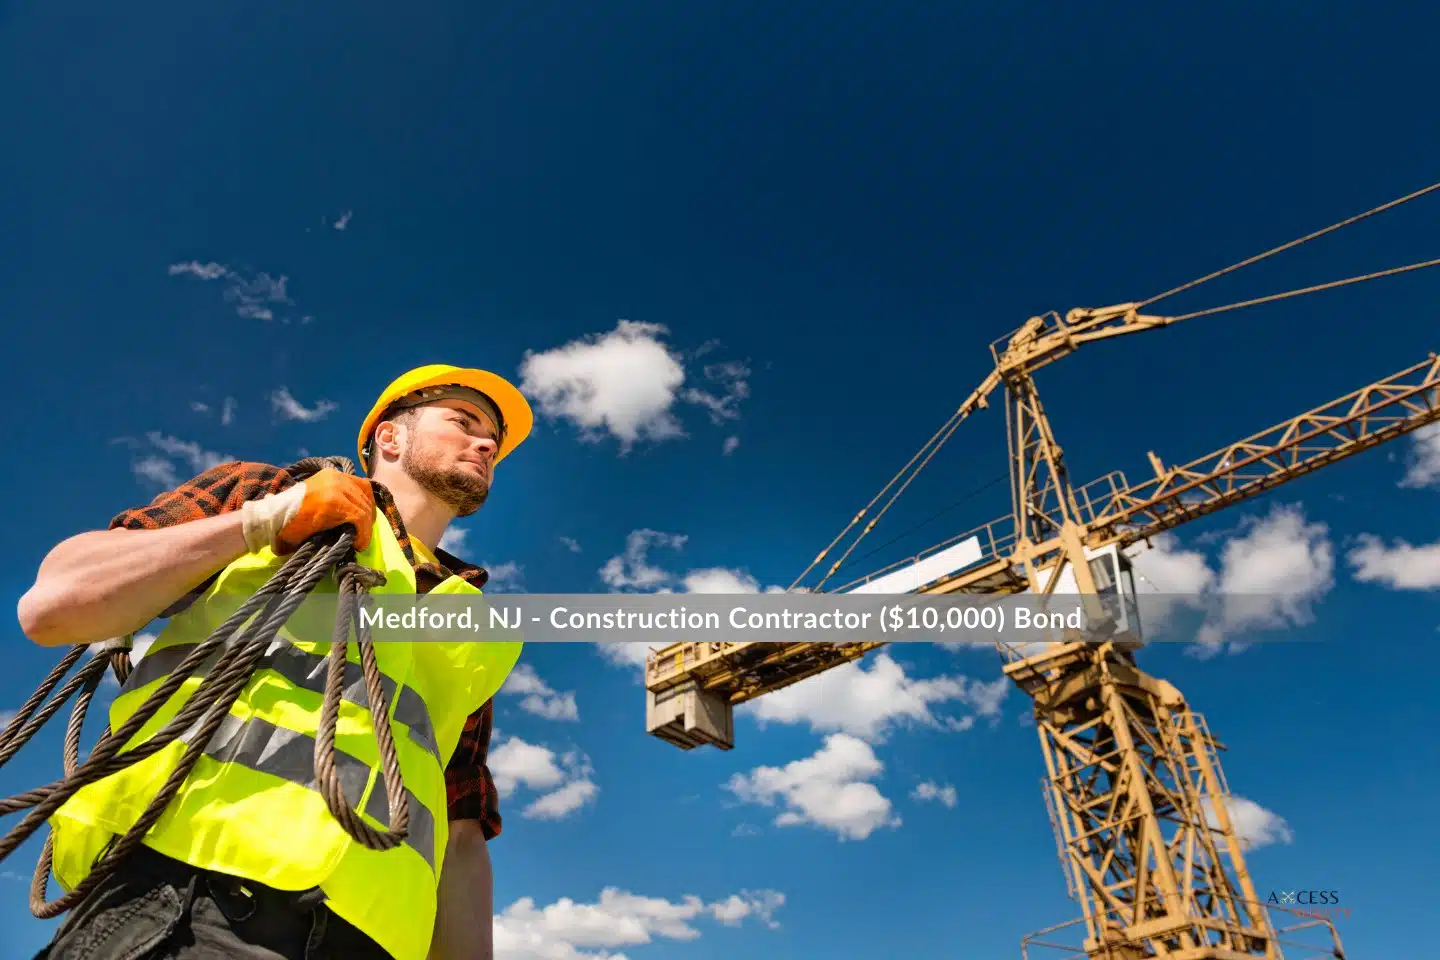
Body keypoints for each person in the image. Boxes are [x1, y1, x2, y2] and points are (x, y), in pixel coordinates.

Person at [16, 364, 534, 960]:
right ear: (390, 437)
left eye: (492, 438)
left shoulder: (469, 620)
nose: (487, 443)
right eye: (463, 421)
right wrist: (263, 522)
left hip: (371, 940)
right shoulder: (269, 494)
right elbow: (54, 606)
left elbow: (461, 834)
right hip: (180, 897)